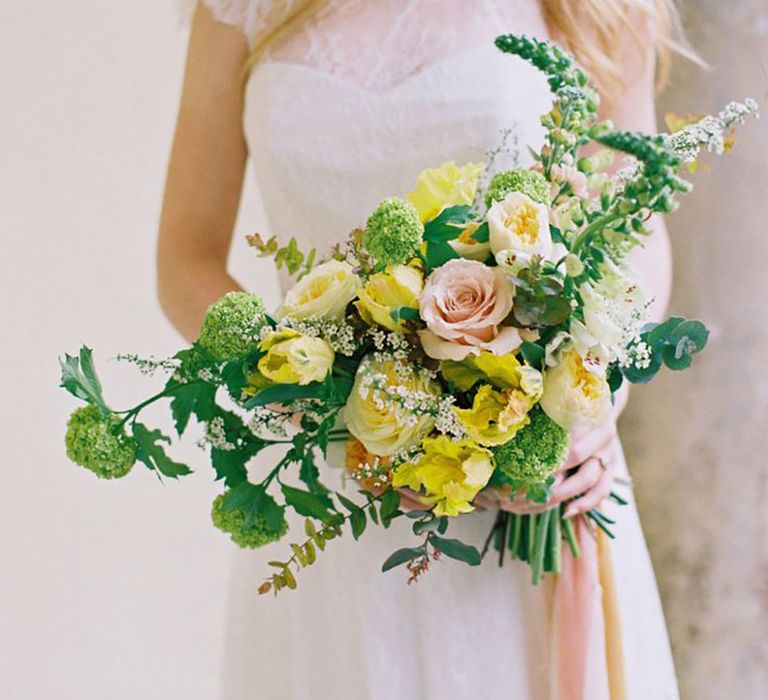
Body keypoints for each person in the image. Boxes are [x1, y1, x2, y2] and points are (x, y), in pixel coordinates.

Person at [158, 1, 687, 697]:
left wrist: (592, 395)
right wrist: (318, 388)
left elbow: (636, 232)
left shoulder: (590, 9)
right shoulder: (241, 10)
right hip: (328, 488)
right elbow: (185, 258)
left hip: (524, 482)